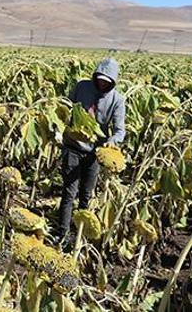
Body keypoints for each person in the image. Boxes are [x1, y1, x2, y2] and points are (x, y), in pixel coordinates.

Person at [57, 58, 126, 248]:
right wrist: (59, 128)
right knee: (69, 192)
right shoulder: (82, 87)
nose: (102, 83)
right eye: (100, 79)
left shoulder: (117, 100)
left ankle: (80, 236)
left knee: (86, 195)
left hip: (94, 152)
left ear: (113, 81)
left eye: (107, 81)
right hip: (73, 146)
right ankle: (62, 235)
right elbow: (66, 108)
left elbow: (120, 130)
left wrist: (112, 142)